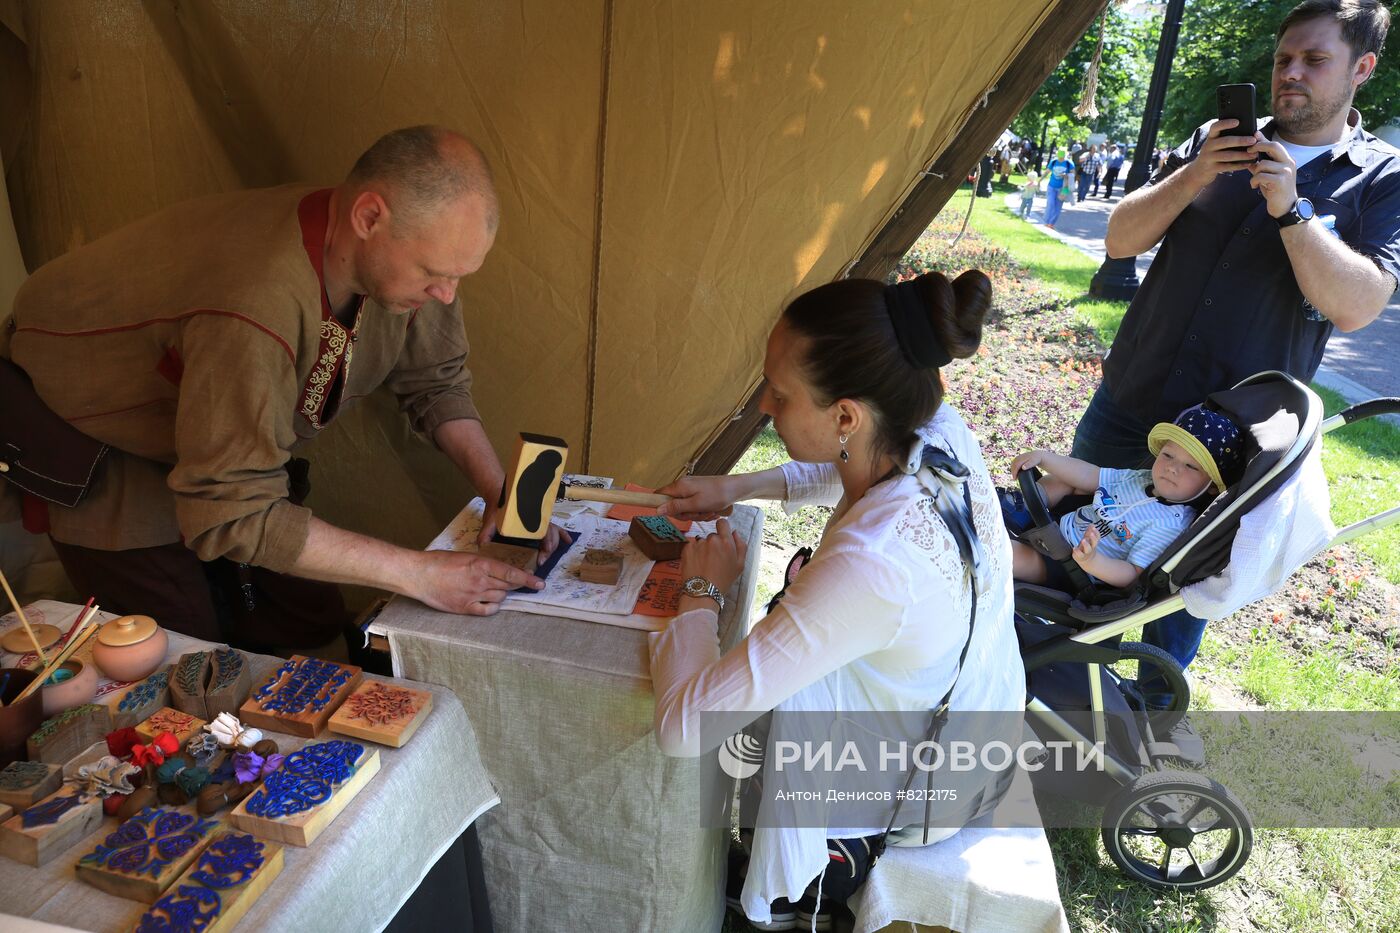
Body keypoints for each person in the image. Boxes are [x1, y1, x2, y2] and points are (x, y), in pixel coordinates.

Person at [3, 126, 564, 649]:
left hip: (217, 438)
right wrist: (421, 574)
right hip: (99, 432)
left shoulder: (405, 254)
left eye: (459, 276)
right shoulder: (252, 303)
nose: (446, 294)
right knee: (181, 649)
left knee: (307, 626)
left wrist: (500, 491)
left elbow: (434, 381)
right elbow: (229, 511)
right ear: (370, 215)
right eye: (434, 274)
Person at [647, 271, 1024, 929]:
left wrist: (700, 591)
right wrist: (733, 490)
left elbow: (684, 729)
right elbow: (845, 464)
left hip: (925, 788)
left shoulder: (873, 563)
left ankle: (791, 892)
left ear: (845, 413)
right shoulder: (932, 424)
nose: (765, 404)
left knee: (757, 688)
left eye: (780, 393)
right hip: (982, 715)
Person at [1076, 0, 1400, 755]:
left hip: (1231, 448)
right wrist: (1194, 175)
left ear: (1362, 69)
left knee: (1177, 596)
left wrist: (1294, 213)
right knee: (1077, 545)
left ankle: (1136, 747)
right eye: (1283, 58)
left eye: (1313, 60)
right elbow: (1121, 239)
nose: (1289, 73)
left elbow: (1355, 306)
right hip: (1131, 399)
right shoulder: (1212, 144)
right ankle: (1041, 697)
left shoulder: (1381, 178)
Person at [1007, 409, 1244, 591]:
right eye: (1168, 455)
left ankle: (1002, 541)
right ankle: (1020, 507)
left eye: (1191, 466)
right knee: (1075, 481)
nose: (1172, 468)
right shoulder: (1141, 479)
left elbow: (1132, 573)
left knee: (1007, 554)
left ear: (1212, 486)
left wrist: (1092, 561)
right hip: (1061, 524)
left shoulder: (1170, 525)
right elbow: (1091, 474)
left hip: (1071, 566)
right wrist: (1045, 458)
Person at [1041, 147, 1075, 228]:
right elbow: (1047, 172)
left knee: (1058, 207)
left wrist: (1065, 175)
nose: (1061, 156)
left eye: (1062, 153)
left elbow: (1073, 176)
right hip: (1051, 186)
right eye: (1059, 153)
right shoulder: (1053, 162)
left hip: (1063, 188)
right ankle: (1046, 221)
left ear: (1065, 154)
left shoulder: (1069, 163)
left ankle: (1051, 224)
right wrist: (1040, 180)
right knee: (1050, 203)